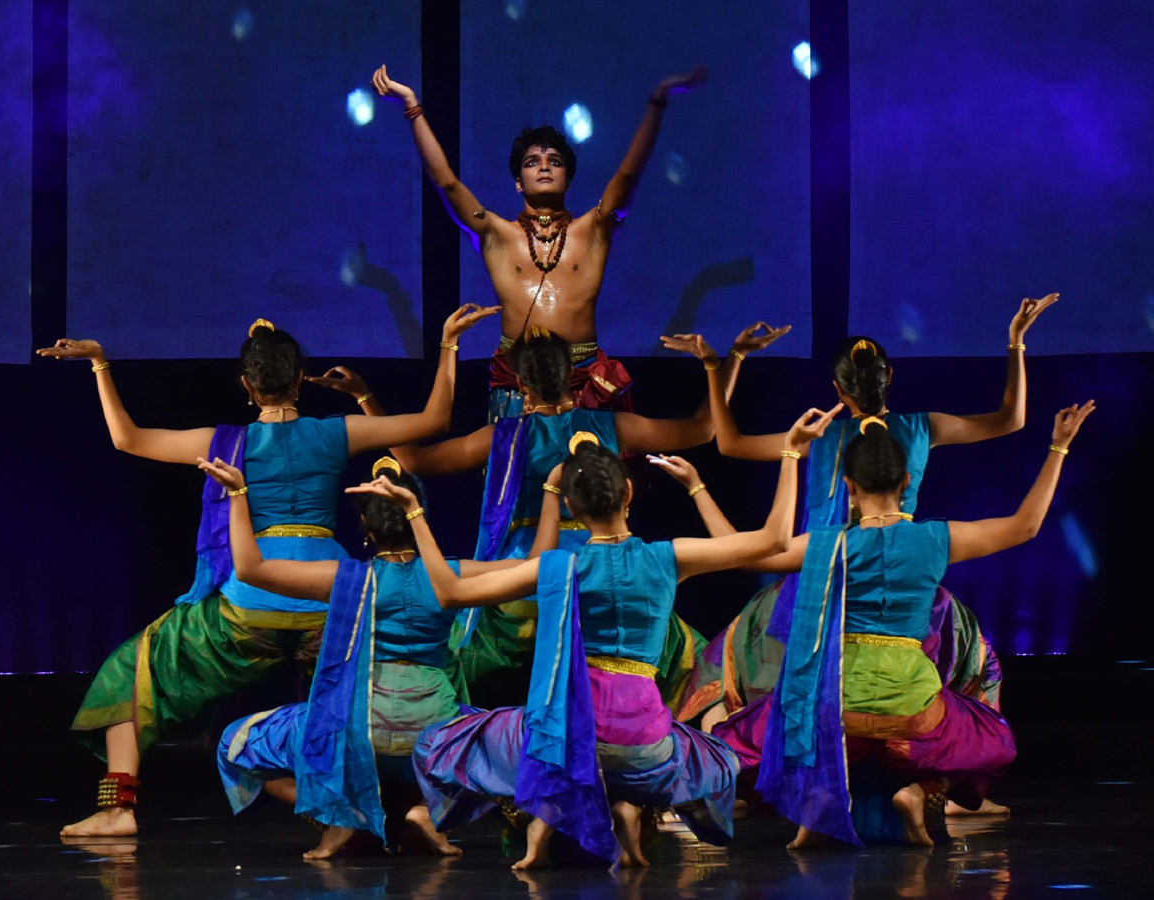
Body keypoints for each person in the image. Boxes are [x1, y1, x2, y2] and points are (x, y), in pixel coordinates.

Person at [36, 304, 497, 837]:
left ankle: (119, 809)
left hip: (250, 604)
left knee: (132, 667)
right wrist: (446, 346)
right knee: (416, 665)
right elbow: (434, 420)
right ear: (301, 380)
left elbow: (129, 439)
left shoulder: (225, 442)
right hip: (334, 605)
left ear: (246, 385)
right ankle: (415, 800)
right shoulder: (335, 433)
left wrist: (100, 364)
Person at [355, 406, 840, 869]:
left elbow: (451, 591)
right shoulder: (667, 558)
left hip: (571, 738)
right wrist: (790, 454)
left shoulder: (558, 566)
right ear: (629, 493)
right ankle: (629, 804)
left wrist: (416, 514)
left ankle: (553, 815)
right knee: (713, 754)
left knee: (448, 740)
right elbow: (775, 539)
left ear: (569, 505)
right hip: (646, 742)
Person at [663, 299, 1055, 770]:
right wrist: (1016, 343)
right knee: (978, 661)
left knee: (727, 658)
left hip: (820, 570)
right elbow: (1011, 420)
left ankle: (732, 770)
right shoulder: (922, 429)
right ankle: (945, 779)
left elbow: (727, 444)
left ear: (836, 388)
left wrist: (721, 364)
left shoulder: (818, 436)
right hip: (906, 574)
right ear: (889, 376)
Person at [741, 404, 1093, 847]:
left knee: (767, 723)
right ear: (906, 482)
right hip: (913, 708)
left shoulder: (828, 545)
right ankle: (921, 791)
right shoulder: (935, 539)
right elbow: (1025, 526)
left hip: (835, 704)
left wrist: (716, 482)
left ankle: (817, 805)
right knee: (990, 736)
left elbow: (756, 550)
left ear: (848, 488)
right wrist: (1059, 446)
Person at [197, 454, 560, 859]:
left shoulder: (344, 578)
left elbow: (249, 569)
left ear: (366, 527)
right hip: (436, 733)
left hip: (356, 731)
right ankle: (428, 812)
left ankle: (344, 815)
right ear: (416, 515)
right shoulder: (454, 575)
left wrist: (238, 493)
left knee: (236, 743)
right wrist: (551, 489)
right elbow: (536, 564)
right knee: (514, 750)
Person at [384, 328, 749, 707]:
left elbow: (414, 461)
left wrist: (368, 402)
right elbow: (704, 429)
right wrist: (724, 361)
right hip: (604, 564)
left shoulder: (503, 435)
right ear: (573, 375)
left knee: (470, 648)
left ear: (522, 384)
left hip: (526, 571)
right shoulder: (611, 426)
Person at [371, 63, 708, 419]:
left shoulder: (592, 231)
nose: (544, 166)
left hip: (584, 383)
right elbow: (448, 184)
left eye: (555, 161)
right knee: (520, 475)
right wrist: (412, 107)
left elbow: (627, 175)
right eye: (532, 162)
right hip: (517, 386)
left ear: (568, 179)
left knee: (591, 476)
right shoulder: (497, 235)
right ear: (518, 182)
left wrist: (658, 100)